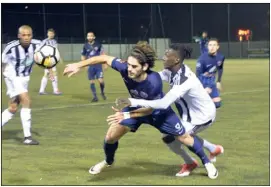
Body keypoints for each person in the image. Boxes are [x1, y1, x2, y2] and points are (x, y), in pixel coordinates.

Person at [63, 43, 218, 179]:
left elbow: (151, 109)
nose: (129, 69)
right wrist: (78, 64)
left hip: (158, 112)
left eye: (134, 66)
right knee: (111, 137)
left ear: (144, 67)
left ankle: (207, 162)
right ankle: (108, 161)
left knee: (184, 137)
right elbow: (103, 58)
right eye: (128, 65)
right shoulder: (125, 68)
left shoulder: (154, 82)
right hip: (135, 109)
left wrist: (126, 113)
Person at [112, 44, 224, 177]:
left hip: (203, 116)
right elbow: (154, 78)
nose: (163, 57)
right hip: (188, 115)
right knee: (173, 137)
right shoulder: (170, 71)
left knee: (179, 136)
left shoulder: (184, 80)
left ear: (176, 59)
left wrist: (133, 101)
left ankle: (204, 164)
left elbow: (163, 103)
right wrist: (137, 71)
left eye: (167, 55)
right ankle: (211, 150)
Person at [1, 25, 47, 145]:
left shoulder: (38, 44)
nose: (26, 37)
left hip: (25, 78)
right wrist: (6, 76)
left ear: (32, 35)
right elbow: (2, 63)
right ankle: (27, 137)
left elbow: (47, 57)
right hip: (12, 76)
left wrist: (50, 69)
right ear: (19, 36)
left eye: (29, 35)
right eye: (23, 35)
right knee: (26, 101)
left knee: (13, 108)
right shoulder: (11, 47)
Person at [196, 38, 225, 108]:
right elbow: (197, 75)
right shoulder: (202, 59)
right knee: (203, 105)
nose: (212, 47)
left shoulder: (221, 57)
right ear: (207, 46)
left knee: (217, 104)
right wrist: (204, 87)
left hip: (212, 82)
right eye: (210, 45)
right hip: (202, 82)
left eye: (214, 45)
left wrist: (218, 81)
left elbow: (220, 68)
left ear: (218, 47)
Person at [81, 31, 106, 102]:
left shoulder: (98, 44)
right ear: (87, 37)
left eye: (91, 36)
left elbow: (103, 54)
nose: (90, 37)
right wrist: (84, 65)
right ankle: (95, 97)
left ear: (94, 37)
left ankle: (102, 92)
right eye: (88, 36)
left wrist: (105, 64)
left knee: (101, 81)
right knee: (92, 82)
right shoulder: (85, 46)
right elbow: (83, 56)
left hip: (98, 65)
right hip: (90, 66)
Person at [39, 28, 62, 95]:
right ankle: (55, 90)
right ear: (47, 34)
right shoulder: (44, 41)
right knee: (53, 74)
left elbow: (56, 50)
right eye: (49, 33)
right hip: (47, 59)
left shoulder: (54, 41)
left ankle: (42, 90)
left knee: (46, 75)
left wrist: (59, 58)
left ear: (54, 34)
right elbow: (40, 50)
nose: (51, 35)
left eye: (52, 33)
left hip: (53, 60)